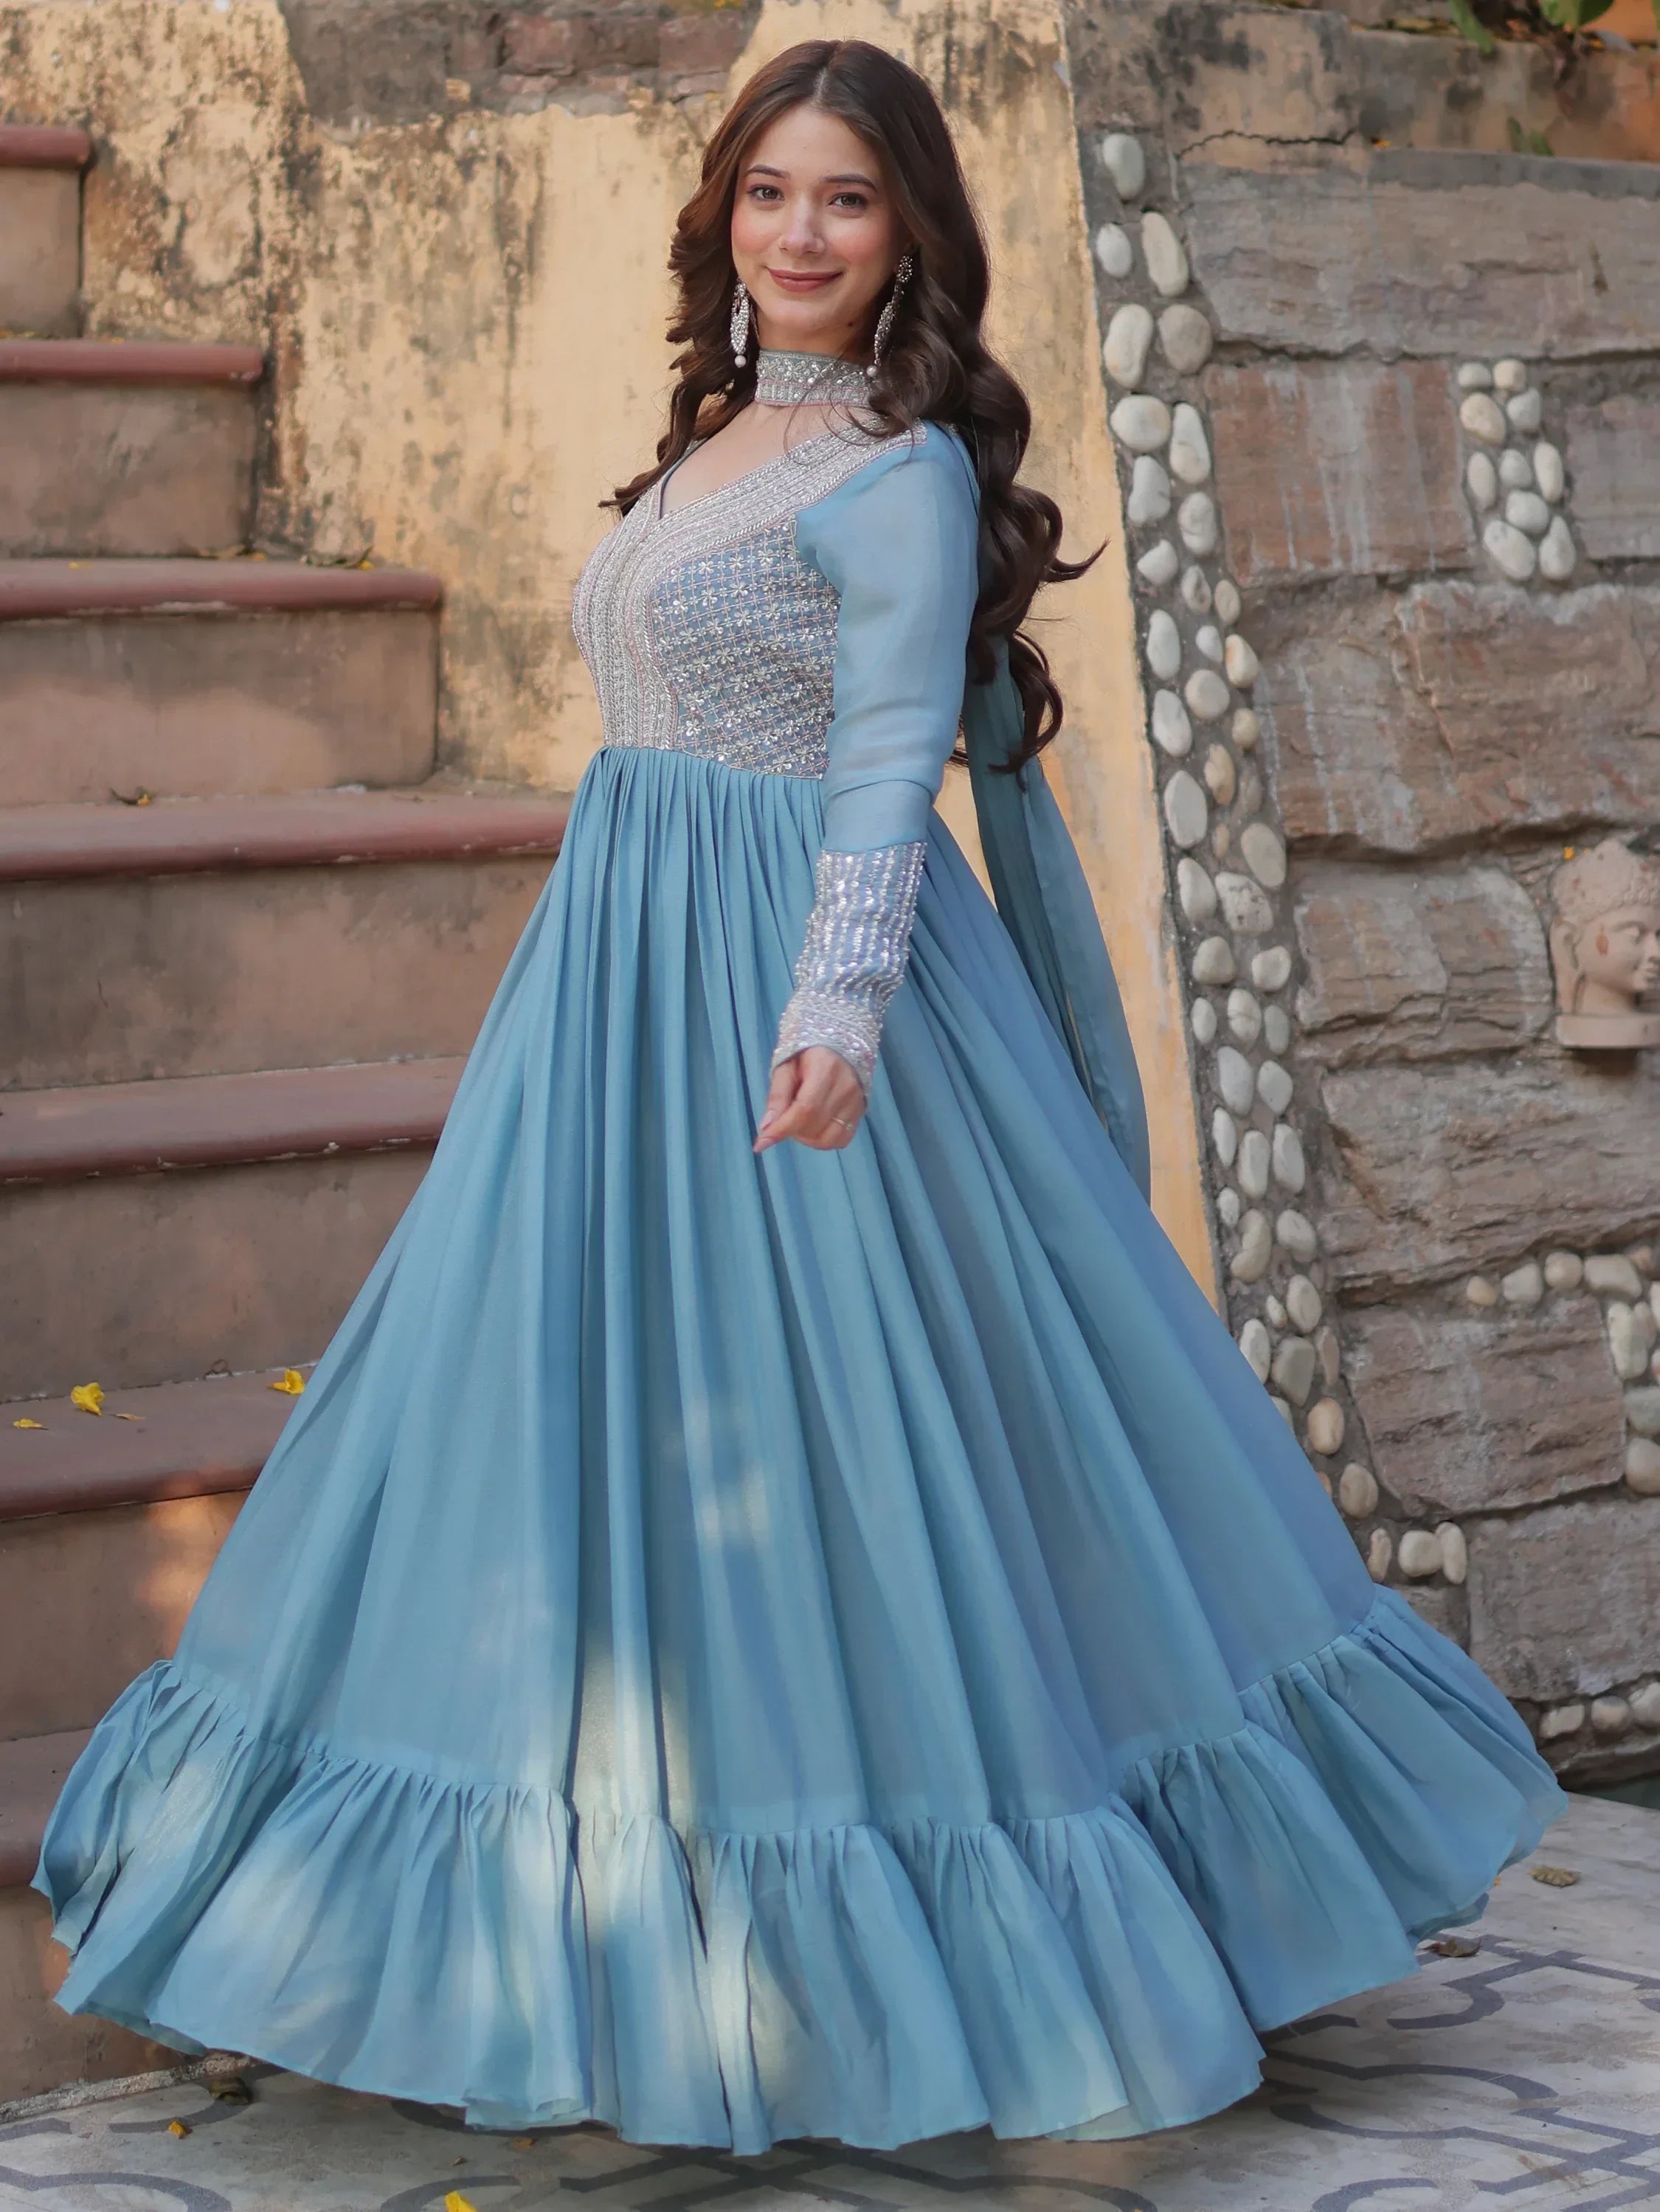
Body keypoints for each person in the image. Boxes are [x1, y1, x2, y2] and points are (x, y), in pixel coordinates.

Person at [36, 36, 1565, 2156]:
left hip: (797, 988)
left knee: (881, 1436)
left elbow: (876, 768)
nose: (804, 230)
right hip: (619, 981)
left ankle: (957, 1954)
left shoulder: (900, 470)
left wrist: (837, 1007)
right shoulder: (722, 440)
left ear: (911, 230)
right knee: (600, 1427)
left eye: (846, 198)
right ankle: (585, 1936)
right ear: (725, 219)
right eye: (771, 192)